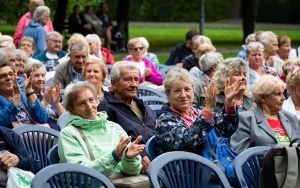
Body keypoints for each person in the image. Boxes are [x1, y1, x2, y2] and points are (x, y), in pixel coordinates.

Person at [58, 82, 144, 177]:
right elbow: (81, 174)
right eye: (82, 103)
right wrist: (113, 157)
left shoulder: (114, 128)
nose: (89, 107)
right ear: (71, 109)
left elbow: (133, 172)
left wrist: (129, 159)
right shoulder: (68, 134)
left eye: (91, 100)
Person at [155, 68, 240, 155]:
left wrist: (229, 104)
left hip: (216, 161)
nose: (183, 95)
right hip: (190, 167)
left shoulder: (198, 111)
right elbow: (186, 143)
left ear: (193, 91)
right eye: (177, 91)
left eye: (187, 89)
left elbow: (226, 130)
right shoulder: (164, 120)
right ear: (168, 94)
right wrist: (209, 108)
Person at [98, 62, 156, 174]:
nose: (134, 84)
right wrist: (142, 155)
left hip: (157, 156)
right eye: (128, 79)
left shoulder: (142, 105)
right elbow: (111, 142)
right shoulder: (106, 108)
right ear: (114, 83)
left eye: (136, 79)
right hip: (132, 162)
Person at [230, 75, 300, 153]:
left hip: (291, 164)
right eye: (278, 94)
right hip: (261, 164)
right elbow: (240, 152)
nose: (283, 98)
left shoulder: (290, 118)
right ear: (263, 98)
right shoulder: (246, 119)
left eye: (283, 93)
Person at [0, 61, 48, 128]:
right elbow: (1, 121)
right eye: (3, 76)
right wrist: (14, 103)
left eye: (11, 74)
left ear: (16, 76)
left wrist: (29, 92)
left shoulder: (24, 94)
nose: (8, 78)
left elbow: (42, 119)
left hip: (36, 135)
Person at [24, 62, 65, 131]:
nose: (41, 79)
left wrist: (57, 103)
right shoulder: (27, 97)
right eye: (36, 75)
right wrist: (45, 101)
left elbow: (65, 119)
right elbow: (38, 118)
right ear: (28, 78)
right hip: (45, 134)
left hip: (60, 129)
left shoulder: (49, 93)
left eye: (43, 75)